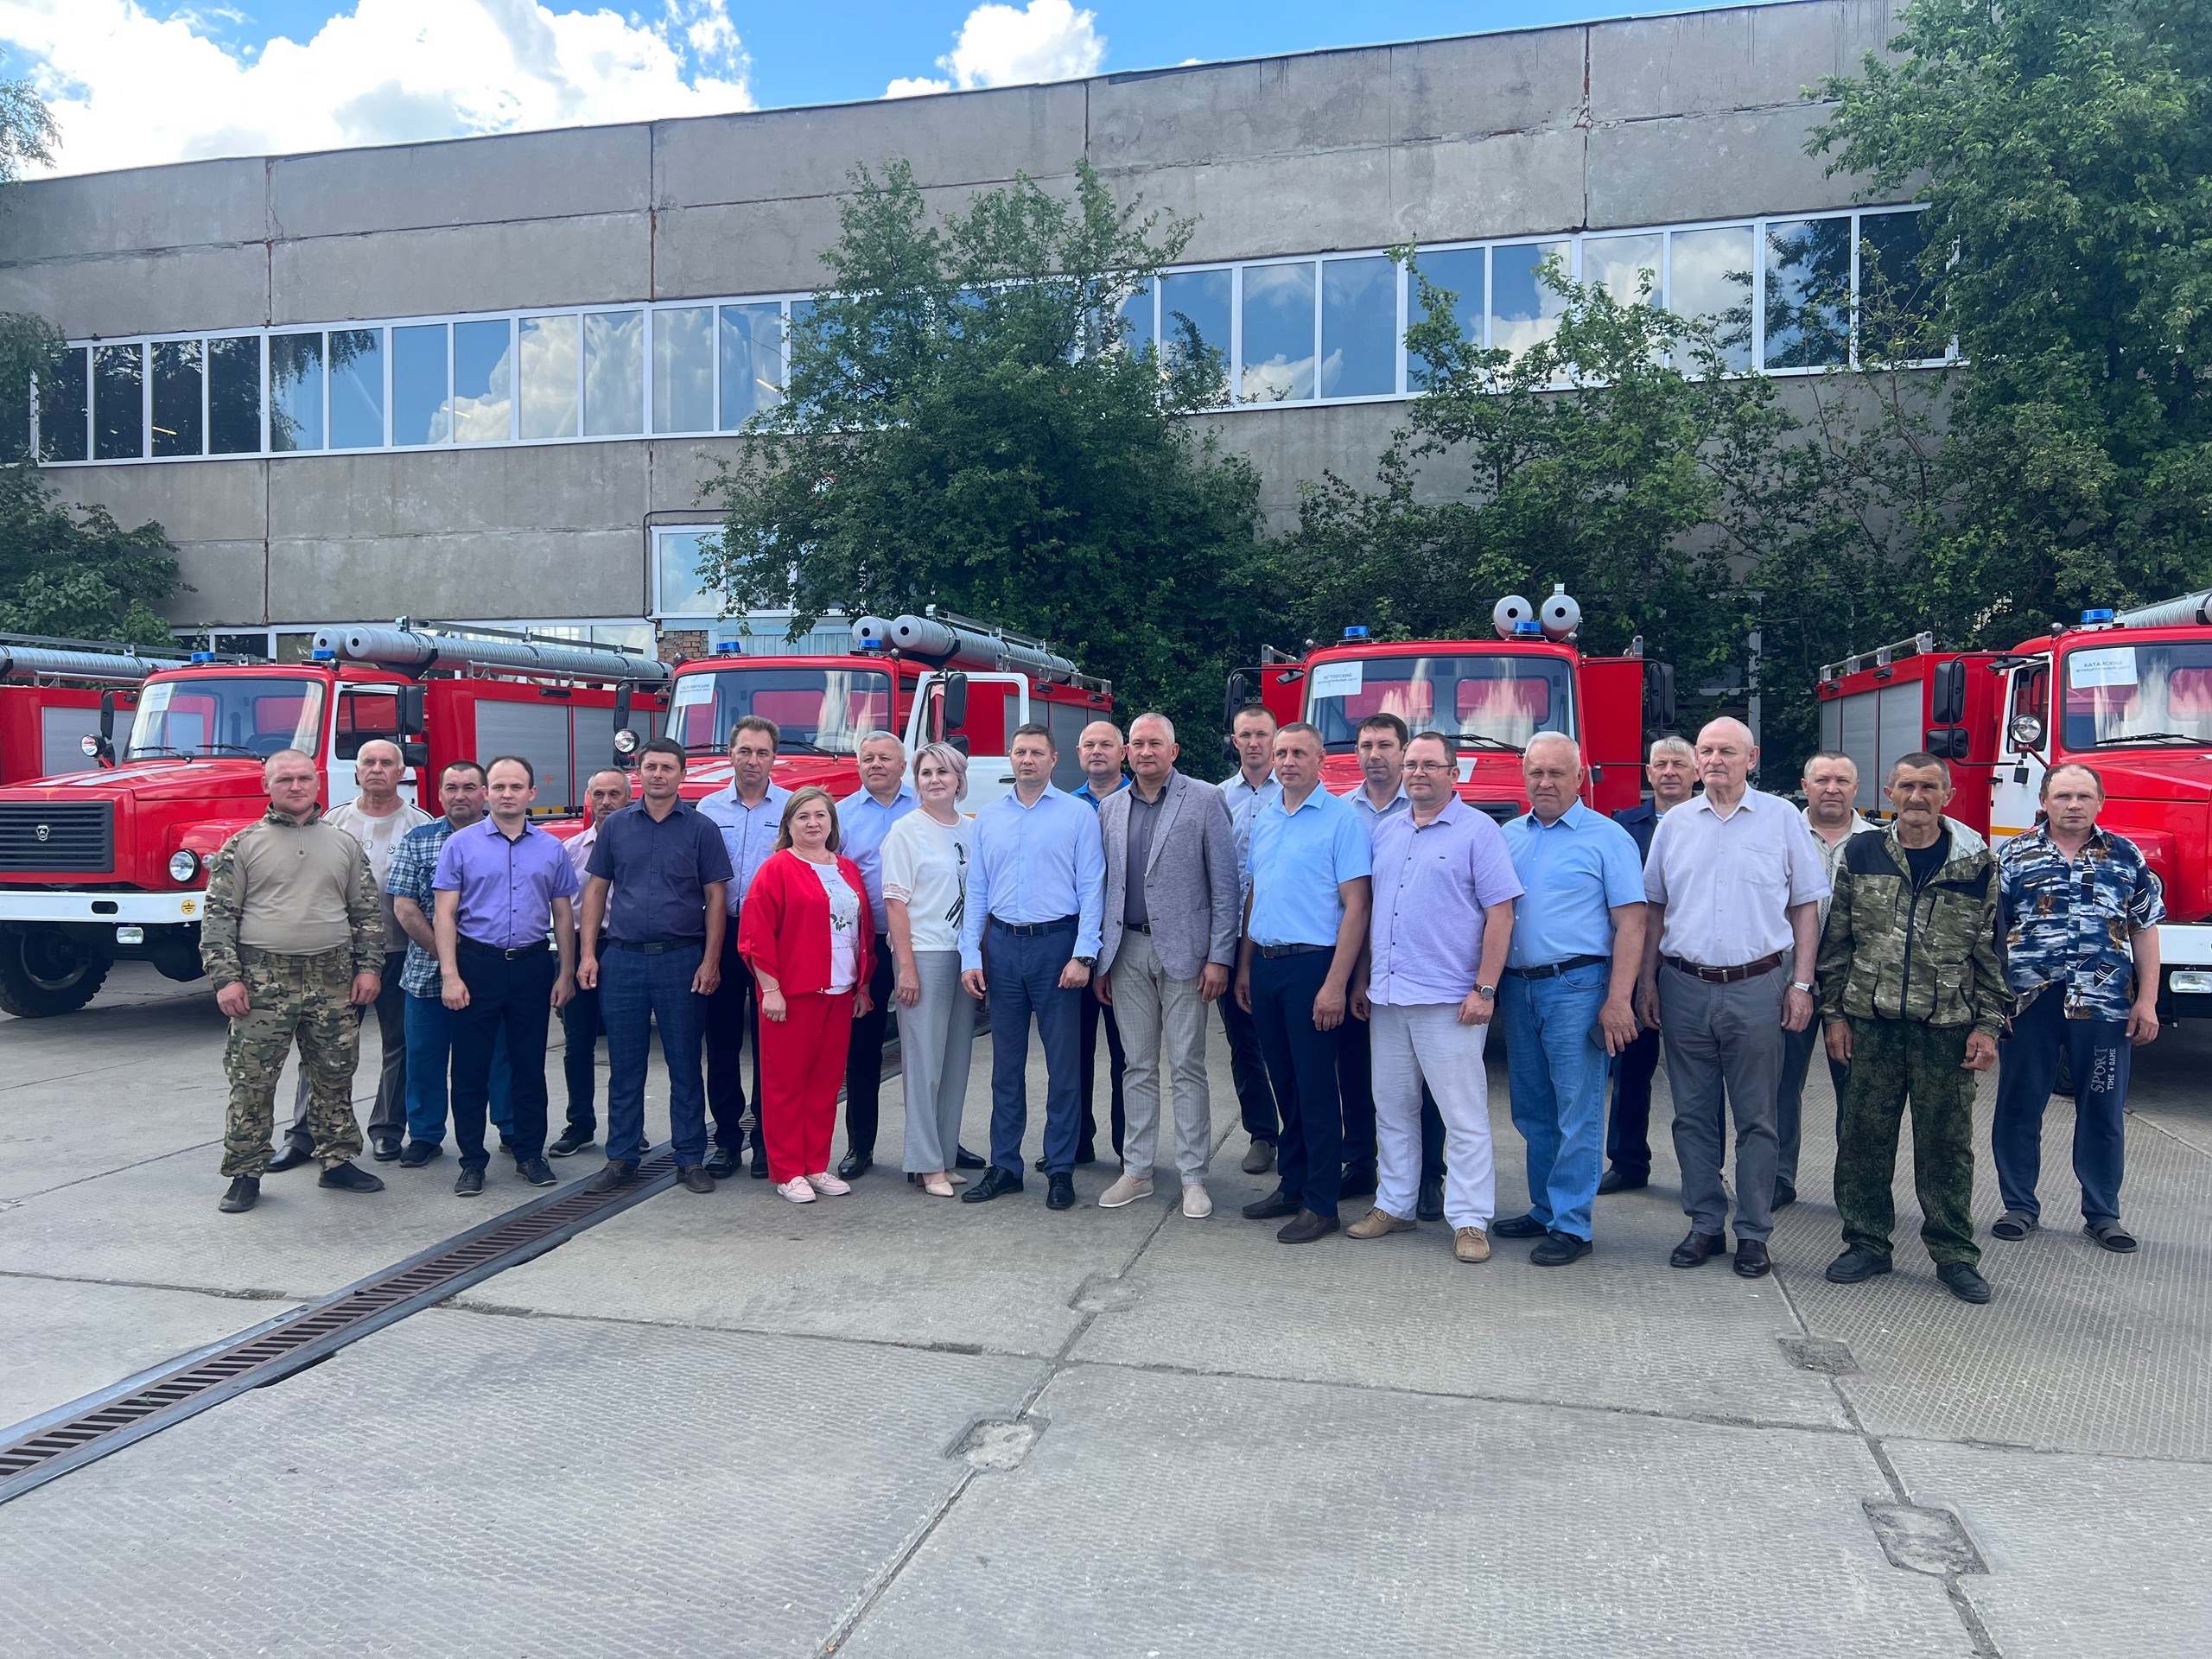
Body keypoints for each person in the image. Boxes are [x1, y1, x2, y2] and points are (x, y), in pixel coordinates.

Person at [1637, 717, 1828, 1278]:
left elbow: (1806, 906)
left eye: (1726, 750)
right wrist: (1647, 981)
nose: (1714, 759)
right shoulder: (1675, 824)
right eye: (1706, 750)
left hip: (1758, 987)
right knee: (1692, 1117)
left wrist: (1801, 984)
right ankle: (1703, 1224)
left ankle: (1752, 1233)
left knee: (1758, 1119)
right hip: (1684, 986)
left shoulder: (1782, 820)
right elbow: (1654, 907)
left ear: (1752, 757)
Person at [1819, 753, 2003, 1303]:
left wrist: (1988, 1026)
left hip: (1945, 1027)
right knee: (1862, 1140)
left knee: (1946, 1147)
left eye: (1928, 787)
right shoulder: (1862, 852)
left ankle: (1954, 1254)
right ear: (1889, 792)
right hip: (1869, 1024)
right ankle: (1867, 1243)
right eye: (1907, 786)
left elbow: (1992, 952)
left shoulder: (1974, 861)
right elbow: (1838, 943)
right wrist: (1834, 1016)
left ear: (1946, 794)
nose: (1917, 796)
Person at [1347, 730, 1520, 1262]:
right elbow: (1372, 912)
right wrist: (1363, 982)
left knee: (1462, 1114)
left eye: (1430, 764)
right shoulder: (1386, 831)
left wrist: (1485, 990)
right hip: (1390, 997)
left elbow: (1502, 913)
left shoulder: (1480, 832)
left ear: (1453, 772)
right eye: (1413, 763)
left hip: (1450, 1000)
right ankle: (1395, 1204)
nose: (1418, 772)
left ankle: (1469, 1219)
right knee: (1393, 1109)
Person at [202, 749, 387, 1213]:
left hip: (333, 978)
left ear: (318, 784)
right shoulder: (242, 845)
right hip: (263, 979)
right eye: (285, 779)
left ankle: (337, 1161)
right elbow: (219, 917)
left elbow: (365, 913)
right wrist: (226, 979)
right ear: (268, 785)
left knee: (334, 1075)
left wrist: (369, 968)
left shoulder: (343, 844)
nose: (296, 786)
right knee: (252, 1081)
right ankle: (245, 1172)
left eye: (305, 778)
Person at [1992, 762, 2164, 1254]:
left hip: (2104, 1005)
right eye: (2063, 796)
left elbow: (2144, 930)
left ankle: (2103, 1213)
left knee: (2103, 1109)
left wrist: (2147, 1000)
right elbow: (1991, 934)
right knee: (2020, 1104)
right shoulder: (2013, 857)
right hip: (2030, 1002)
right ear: (2043, 801)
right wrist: (1992, 1002)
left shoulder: (2125, 856)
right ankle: (2019, 1205)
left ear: (2099, 802)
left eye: (2083, 797)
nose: (2073, 805)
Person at [1492, 734, 1648, 1265]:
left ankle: (1572, 1224)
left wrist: (1618, 999)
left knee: (1576, 1110)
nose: (1545, 783)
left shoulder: (1608, 838)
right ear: (1524, 776)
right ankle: (1544, 1208)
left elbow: (1632, 923)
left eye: (1557, 773)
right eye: (1536, 773)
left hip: (1578, 987)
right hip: (1518, 986)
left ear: (1579, 777)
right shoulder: (1508, 836)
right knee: (1532, 1107)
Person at [1094, 713, 1240, 1217]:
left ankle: (1194, 1177)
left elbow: (1226, 885)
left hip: (1186, 954)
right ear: (1127, 752)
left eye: (1155, 743)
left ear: (1173, 751)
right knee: (1136, 1065)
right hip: (1125, 952)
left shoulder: (1204, 799)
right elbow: (1103, 887)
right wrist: (1099, 961)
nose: (1145, 752)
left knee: (1187, 1066)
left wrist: (1220, 956)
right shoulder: (1109, 808)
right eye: (1137, 744)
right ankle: (1137, 1171)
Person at [959, 722, 1106, 1211]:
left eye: (1037, 752)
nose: (1027, 760)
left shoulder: (1076, 815)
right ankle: (1006, 1166)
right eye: (1020, 752)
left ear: (1053, 758)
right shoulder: (989, 819)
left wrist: (1084, 954)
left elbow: (1093, 889)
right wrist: (969, 954)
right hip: (1002, 946)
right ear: (1009, 757)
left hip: (1056, 946)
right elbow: (975, 891)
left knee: (1063, 1066)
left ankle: (1060, 1168)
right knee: (1006, 1066)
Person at [1236, 721, 1372, 1244]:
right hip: (1267, 965)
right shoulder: (1267, 818)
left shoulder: (1342, 820)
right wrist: (1246, 965)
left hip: (1314, 966)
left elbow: (1357, 905)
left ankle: (1322, 1202)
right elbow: (1256, 895)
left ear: (1321, 762)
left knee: (1317, 1088)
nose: (1288, 760)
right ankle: (1291, 1184)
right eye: (1282, 752)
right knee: (1285, 1083)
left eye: (1299, 753)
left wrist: (1336, 984)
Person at [575, 739, 730, 1192]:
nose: (658, 774)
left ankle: (689, 1159)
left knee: (685, 1063)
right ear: (637, 773)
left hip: (681, 961)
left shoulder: (702, 829)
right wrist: (588, 953)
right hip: (621, 959)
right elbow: (596, 891)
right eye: (650, 767)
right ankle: (621, 1158)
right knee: (625, 1066)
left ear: (682, 774)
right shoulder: (616, 827)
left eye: (667, 767)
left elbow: (716, 898)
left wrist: (711, 960)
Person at [273, 738, 428, 1166]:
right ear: (357, 772)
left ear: (402, 772)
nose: (377, 769)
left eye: (386, 762)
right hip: (337, 956)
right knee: (321, 1046)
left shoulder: (419, 824)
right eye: (368, 762)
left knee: (400, 1045)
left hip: (400, 951)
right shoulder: (333, 821)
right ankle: (305, 1134)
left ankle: (386, 1129)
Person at [432, 754, 579, 1197]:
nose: (507, 794)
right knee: (472, 1070)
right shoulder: (460, 845)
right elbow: (444, 914)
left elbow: (563, 915)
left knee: (529, 1067)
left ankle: (530, 1155)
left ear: (532, 794)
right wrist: (451, 976)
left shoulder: (551, 848)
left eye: (516, 787)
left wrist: (565, 972)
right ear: (485, 793)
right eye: (498, 787)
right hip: (477, 966)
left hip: (533, 967)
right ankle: (472, 1161)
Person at [738, 786, 875, 1205]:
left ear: (832, 823)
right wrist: (771, 991)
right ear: (789, 825)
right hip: (792, 994)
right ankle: (787, 1170)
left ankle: (816, 1165)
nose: (813, 823)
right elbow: (755, 936)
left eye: (821, 815)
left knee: (825, 1084)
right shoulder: (776, 869)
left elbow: (861, 931)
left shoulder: (847, 869)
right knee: (784, 1085)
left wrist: (863, 986)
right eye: (803, 817)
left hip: (839, 991)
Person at [1344, 710, 1449, 1217]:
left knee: (1425, 1082)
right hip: (1356, 959)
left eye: (1386, 745)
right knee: (1364, 1074)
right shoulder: (1344, 812)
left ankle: (1430, 1177)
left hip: (1419, 966)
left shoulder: (1427, 807)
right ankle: (1362, 1164)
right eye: (1366, 745)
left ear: (1404, 755)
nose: (1375, 755)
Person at [387, 761, 511, 1167]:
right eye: (452, 787)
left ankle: (509, 1128)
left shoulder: (508, 840)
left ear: (486, 793)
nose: (461, 795)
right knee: (425, 1058)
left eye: (470, 787)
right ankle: (424, 1135)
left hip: (492, 974)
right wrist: (451, 960)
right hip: (426, 974)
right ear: (438, 794)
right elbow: (404, 906)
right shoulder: (418, 840)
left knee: (498, 1058)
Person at [883, 742, 979, 1196]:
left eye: (944, 772)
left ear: (960, 780)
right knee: (924, 1063)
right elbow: (895, 903)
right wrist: (906, 968)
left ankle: (944, 1151)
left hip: (966, 956)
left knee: (956, 1060)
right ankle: (925, 1163)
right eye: (926, 773)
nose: (935, 780)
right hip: (924, 953)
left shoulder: (972, 829)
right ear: (915, 781)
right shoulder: (906, 831)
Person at [1775, 750, 1870, 1207]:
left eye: (1842, 780)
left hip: (1855, 986)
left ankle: (1853, 1190)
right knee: (1778, 1085)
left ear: (1857, 788)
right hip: (1786, 978)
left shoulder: (1879, 843)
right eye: (1822, 779)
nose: (1832, 788)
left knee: (1856, 1092)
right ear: (1805, 784)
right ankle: (1776, 1179)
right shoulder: (1776, 834)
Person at [1603, 734, 1696, 1194]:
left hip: (1690, 964)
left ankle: (1703, 1170)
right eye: (1661, 764)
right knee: (1630, 1070)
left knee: (1697, 1078)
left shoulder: (1709, 824)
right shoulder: (1623, 826)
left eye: (1680, 764)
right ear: (1649, 772)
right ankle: (1626, 1162)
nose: (1670, 772)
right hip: (1635, 964)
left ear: (1695, 771)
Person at [700, 715, 790, 1179]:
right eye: (744, 751)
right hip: (721, 935)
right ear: (730, 755)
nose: (753, 761)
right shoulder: (708, 811)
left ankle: (767, 1142)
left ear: (775, 758)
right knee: (721, 1042)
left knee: (771, 1047)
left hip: (777, 943)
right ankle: (728, 1140)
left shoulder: (794, 810)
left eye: (762, 752)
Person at [836, 731, 915, 1179]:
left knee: (928, 1050)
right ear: (859, 765)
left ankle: (938, 1142)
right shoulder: (841, 816)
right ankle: (859, 1146)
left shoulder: (926, 808)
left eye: (886, 758)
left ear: (903, 766)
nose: (877, 764)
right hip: (862, 948)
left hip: (919, 946)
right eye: (868, 758)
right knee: (862, 1050)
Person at [550, 767, 637, 1160]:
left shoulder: (642, 845)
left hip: (628, 950)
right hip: (584, 948)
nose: (605, 802)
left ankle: (627, 1126)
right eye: (598, 794)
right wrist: (568, 967)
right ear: (588, 799)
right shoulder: (570, 851)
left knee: (626, 1045)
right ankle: (580, 1123)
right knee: (579, 1042)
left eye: (614, 794)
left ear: (628, 798)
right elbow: (563, 915)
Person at [1218, 702, 1283, 1175]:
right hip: (1231, 937)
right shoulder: (1217, 798)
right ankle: (1262, 1133)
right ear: (1235, 741)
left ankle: (1301, 1131)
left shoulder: (1303, 794)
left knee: (1292, 1043)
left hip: (1283, 935)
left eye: (1263, 734)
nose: (1255, 743)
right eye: (1246, 735)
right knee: (1245, 1043)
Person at [1070, 717, 1129, 1167]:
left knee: (1128, 1055)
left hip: (1128, 947)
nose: (1097, 752)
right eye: (1088, 744)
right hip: (1076, 946)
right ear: (1077, 754)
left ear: (1122, 752)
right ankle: (1076, 1140)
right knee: (1075, 1051)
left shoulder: (1142, 801)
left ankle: (1130, 1147)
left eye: (1106, 744)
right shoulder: (1067, 809)